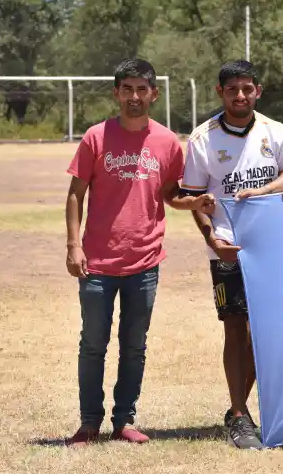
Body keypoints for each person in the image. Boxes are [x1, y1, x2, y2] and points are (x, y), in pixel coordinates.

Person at [64, 58, 215, 447]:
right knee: (93, 343)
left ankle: (124, 420)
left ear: (154, 93)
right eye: (127, 89)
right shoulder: (96, 138)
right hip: (97, 261)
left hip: (145, 262)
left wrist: (197, 204)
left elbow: (171, 195)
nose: (134, 96)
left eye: (141, 89)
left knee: (135, 345)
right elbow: (76, 194)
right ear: (116, 93)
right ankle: (88, 422)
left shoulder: (166, 142)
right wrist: (73, 245)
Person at [180, 60, 283, 450]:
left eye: (247, 88)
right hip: (228, 247)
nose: (240, 95)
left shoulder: (274, 131)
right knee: (237, 327)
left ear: (258, 91)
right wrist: (211, 238)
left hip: (273, 244)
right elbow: (194, 198)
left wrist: (267, 191)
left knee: (271, 329)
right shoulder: (203, 138)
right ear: (220, 92)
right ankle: (238, 413)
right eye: (232, 89)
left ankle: (259, 409)